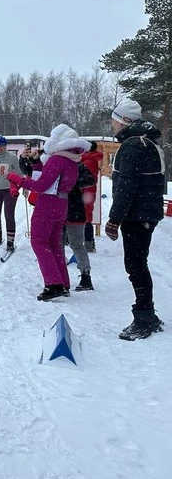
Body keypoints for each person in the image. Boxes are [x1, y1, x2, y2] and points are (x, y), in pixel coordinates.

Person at [105, 98, 165, 340]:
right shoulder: (145, 142)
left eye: (115, 120)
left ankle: (144, 317)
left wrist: (113, 220)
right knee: (139, 263)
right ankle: (146, 312)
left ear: (125, 121)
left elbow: (126, 187)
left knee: (135, 265)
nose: (113, 125)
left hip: (138, 215)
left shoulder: (133, 145)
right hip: (145, 213)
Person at [7, 124, 87, 301]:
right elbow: (47, 179)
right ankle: (63, 283)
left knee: (39, 243)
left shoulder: (56, 160)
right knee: (53, 244)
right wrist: (36, 163)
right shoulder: (72, 161)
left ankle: (53, 284)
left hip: (47, 205)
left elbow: (41, 185)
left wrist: (17, 179)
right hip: (61, 204)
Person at [63, 158, 96, 291]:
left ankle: (85, 276)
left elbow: (90, 179)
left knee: (76, 245)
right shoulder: (51, 161)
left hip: (74, 209)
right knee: (57, 246)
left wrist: (70, 183)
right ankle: (58, 278)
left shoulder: (77, 163)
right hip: (56, 209)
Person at [80, 141, 103, 253]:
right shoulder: (91, 160)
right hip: (88, 192)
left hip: (85, 193)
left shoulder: (88, 162)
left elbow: (83, 179)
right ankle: (89, 243)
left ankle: (88, 243)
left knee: (84, 218)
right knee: (86, 217)